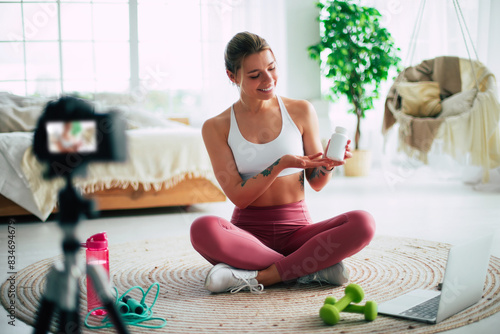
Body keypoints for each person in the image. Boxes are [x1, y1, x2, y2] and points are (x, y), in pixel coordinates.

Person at [190, 31, 375, 294]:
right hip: (247, 237)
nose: (268, 80)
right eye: (255, 75)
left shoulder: (300, 110)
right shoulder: (216, 127)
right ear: (233, 76)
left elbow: (317, 183)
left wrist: (328, 164)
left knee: (363, 222)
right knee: (202, 228)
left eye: (272, 68)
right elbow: (238, 197)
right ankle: (311, 268)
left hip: (298, 233)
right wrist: (281, 163)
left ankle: (259, 275)